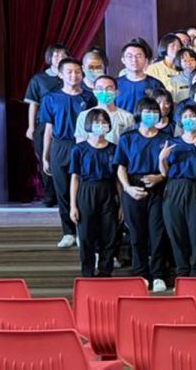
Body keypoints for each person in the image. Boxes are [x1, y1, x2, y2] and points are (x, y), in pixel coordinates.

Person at [40, 58, 98, 247]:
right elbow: (48, 128)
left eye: (77, 71)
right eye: (69, 72)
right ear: (60, 74)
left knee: (82, 190)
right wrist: (45, 155)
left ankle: (83, 232)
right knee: (62, 190)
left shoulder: (89, 97)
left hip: (83, 144)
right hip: (60, 146)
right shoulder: (50, 98)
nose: (74, 75)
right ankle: (68, 232)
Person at [115, 97, 171, 291]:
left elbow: (170, 168)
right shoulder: (128, 138)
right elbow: (120, 166)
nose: (151, 115)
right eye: (147, 112)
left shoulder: (166, 138)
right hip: (133, 187)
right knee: (137, 234)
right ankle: (141, 273)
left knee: (157, 233)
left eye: (154, 111)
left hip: (158, 188)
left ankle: (158, 275)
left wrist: (159, 178)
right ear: (139, 113)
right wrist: (127, 188)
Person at [158, 107, 196, 279]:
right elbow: (164, 173)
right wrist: (161, 159)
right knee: (176, 231)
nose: (189, 119)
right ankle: (181, 270)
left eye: (192, 116)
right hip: (173, 188)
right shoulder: (172, 143)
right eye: (185, 116)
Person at [69, 109, 120, 277]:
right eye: (96, 122)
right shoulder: (79, 149)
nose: (100, 125)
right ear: (89, 125)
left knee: (109, 234)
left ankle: (106, 272)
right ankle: (88, 273)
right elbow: (75, 178)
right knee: (86, 235)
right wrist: (73, 206)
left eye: (104, 122)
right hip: (86, 191)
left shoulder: (114, 149)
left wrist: (122, 205)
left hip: (108, 191)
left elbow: (118, 179)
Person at [27, 43, 69, 206]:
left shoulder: (71, 75)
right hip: (43, 124)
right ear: (49, 58)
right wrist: (31, 127)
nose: (59, 57)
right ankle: (49, 194)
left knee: (62, 160)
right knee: (45, 159)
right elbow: (33, 104)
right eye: (55, 55)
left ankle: (64, 195)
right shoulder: (39, 79)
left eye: (62, 54)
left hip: (65, 124)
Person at [74, 75, 133, 144]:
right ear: (95, 92)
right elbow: (80, 143)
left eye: (109, 88)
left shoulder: (127, 117)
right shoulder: (84, 115)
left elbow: (130, 143)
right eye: (100, 88)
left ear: (116, 92)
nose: (104, 92)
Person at [117, 41, 165, 114]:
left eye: (139, 56)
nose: (134, 60)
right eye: (129, 56)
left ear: (146, 60)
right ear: (123, 60)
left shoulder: (156, 84)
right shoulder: (115, 84)